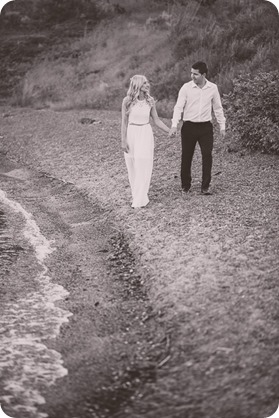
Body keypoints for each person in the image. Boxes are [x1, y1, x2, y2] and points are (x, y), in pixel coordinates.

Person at [169, 61, 226, 195]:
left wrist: (222, 126)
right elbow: (178, 107)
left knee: (207, 155)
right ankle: (185, 186)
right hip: (189, 126)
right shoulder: (186, 88)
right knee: (187, 156)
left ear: (204, 74)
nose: (192, 76)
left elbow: (218, 108)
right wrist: (174, 125)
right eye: (191, 73)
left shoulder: (213, 88)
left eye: (195, 74)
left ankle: (205, 186)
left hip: (206, 127)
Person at [121, 75, 170, 208]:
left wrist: (169, 130)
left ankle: (141, 198)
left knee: (143, 164)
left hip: (145, 134)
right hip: (132, 134)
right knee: (132, 167)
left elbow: (157, 120)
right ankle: (136, 195)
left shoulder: (150, 101)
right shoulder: (127, 101)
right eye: (144, 83)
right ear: (137, 85)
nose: (147, 85)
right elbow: (124, 123)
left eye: (147, 83)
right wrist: (123, 141)